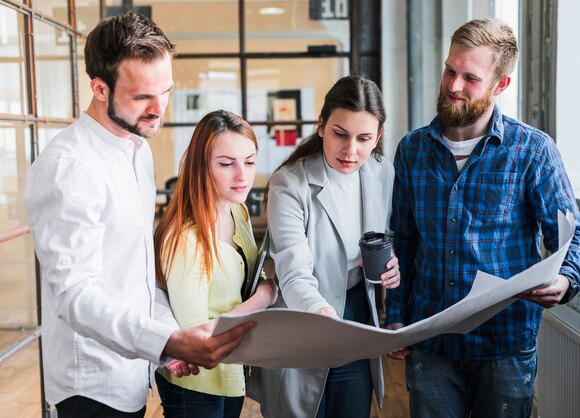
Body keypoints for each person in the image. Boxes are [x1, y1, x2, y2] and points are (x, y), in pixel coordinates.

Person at [23, 13, 253, 418]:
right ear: (99, 88)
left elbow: (137, 275)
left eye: (164, 91)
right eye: (142, 96)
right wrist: (166, 340)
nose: (158, 108)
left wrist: (169, 337)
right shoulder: (69, 167)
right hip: (90, 387)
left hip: (133, 371)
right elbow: (74, 296)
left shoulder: (137, 148)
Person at [385, 17, 580, 418]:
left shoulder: (533, 151)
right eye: (450, 70)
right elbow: (404, 242)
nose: (453, 85)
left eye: (470, 78)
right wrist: (396, 316)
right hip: (431, 342)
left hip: (505, 345)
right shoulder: (412, 150)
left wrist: (565, 279)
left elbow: (574, 234)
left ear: (501, 85)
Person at [257, 75, 401, 418]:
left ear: (378, 137)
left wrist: (391, 263)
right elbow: (293, 273)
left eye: (365, 138)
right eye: (340, 134)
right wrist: (324, 317)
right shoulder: (289, 183)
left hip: (356, 315)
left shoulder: (381, 172)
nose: (351, 150)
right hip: (303, 315)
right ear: (321, 125)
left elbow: (382, 239)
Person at [152, 110, 278, 418]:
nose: (243, 176)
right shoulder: (186, 236)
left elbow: (239, 281)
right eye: (226, 164)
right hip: (195, 383)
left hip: (230, 373)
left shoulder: (238, 211)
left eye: (249, 161)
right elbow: (197, 337)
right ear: (201, 166)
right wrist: (264, 296)